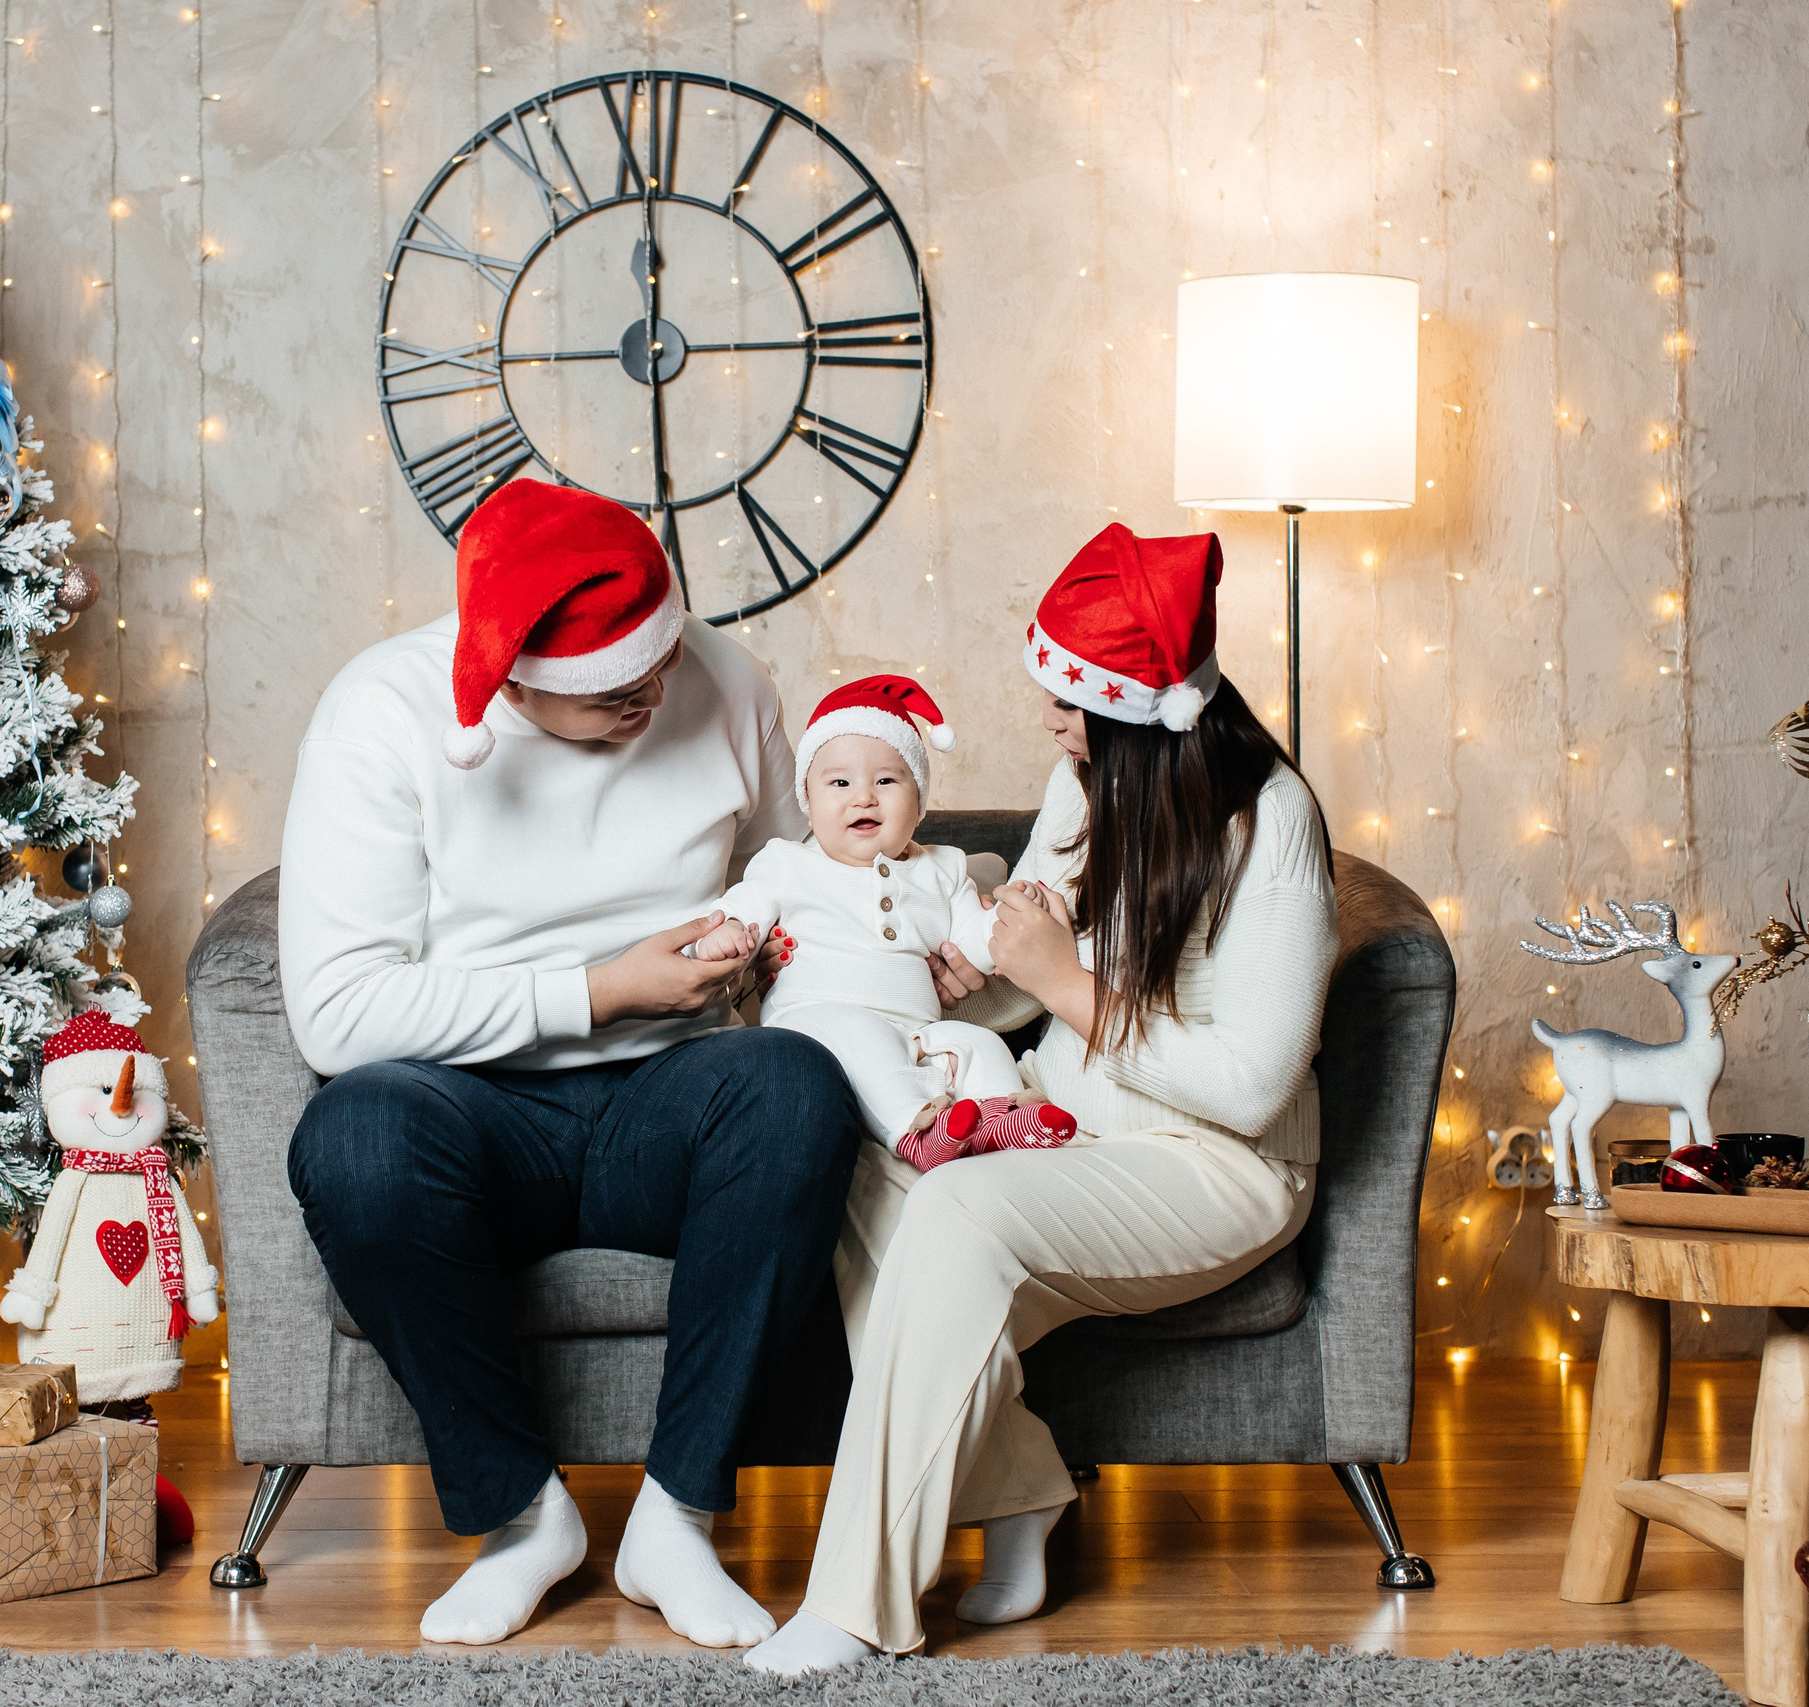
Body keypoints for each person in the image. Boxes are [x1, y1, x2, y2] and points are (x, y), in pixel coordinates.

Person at [279, 478, 863, 1650]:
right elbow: (336, 1016)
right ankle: (520, 1517)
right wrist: (596, 990)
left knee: (797, 1088)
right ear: (507, 676)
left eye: (655, 669)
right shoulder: (381, 713)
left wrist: (799, 947)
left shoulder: (729, 683)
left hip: (672, 1092)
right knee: (353, 1138)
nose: (648, 699)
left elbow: (796, 890)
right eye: (606, 695)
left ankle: (677, 1519)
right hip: (470, 1104)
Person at [745, 523, 1337, 1674]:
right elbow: (1023, 939)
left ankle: (854, 1608)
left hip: (1209, 1163)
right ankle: (1022, 1492)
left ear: (1134, 712)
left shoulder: (1273, 824)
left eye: (1070, 709)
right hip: (1068, 1127)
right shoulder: (1089, 779)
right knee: (867, 1173)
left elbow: (1254, 1087)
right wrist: (966, 972)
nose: (1051, 728)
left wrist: (1062, 982)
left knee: (959, 1211)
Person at [683, 673, 1078, 1167]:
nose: (863, 797)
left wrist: (1011, 915)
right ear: (808, 799)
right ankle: (914, 1133)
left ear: (920, 803)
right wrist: (726, 933)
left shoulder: (943, 868)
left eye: (887, 780)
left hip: (917, 1026)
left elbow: (973, 945)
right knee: (861, 1036)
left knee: (979, 1043)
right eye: (840, 782)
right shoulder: (788, 862)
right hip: (817, 1019)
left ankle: (998, 1119)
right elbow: (748, 905)